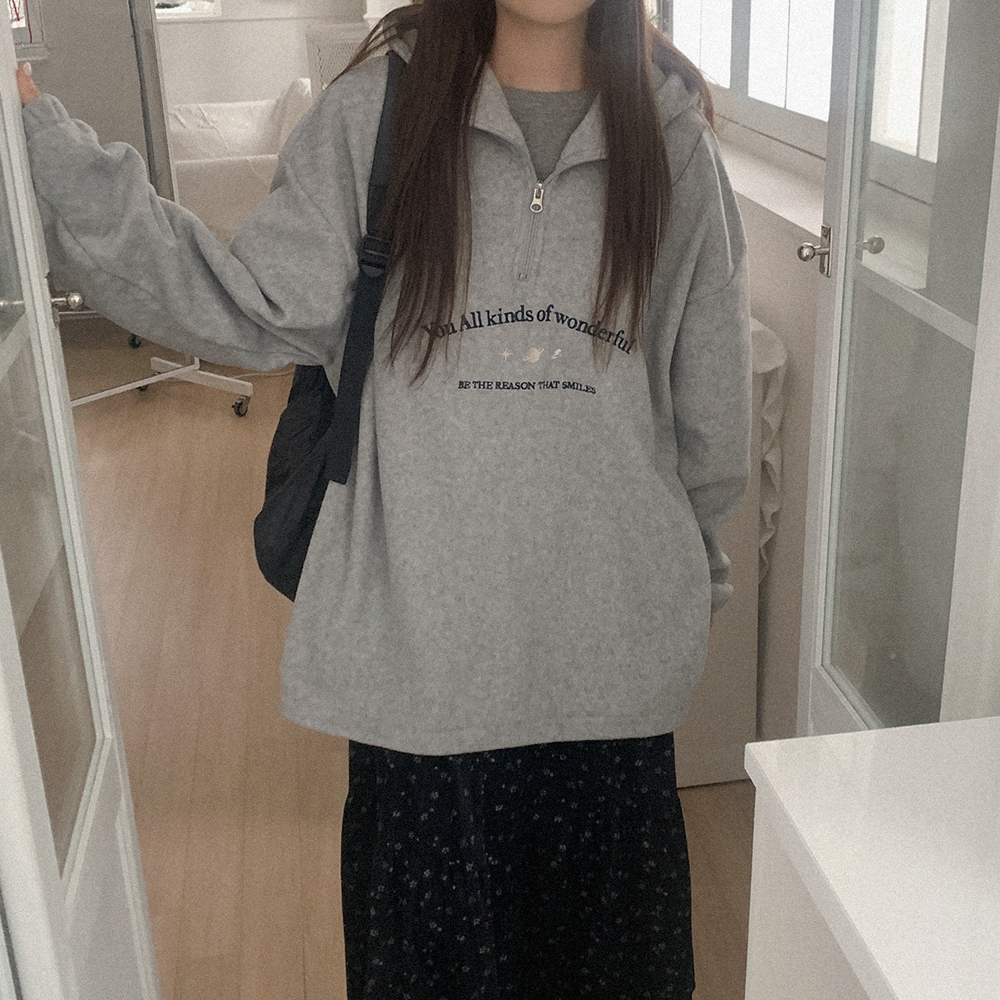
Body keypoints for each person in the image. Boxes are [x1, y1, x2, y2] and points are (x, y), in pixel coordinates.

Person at [17, 0, 750, 996]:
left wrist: (666, 591)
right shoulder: (378, 116)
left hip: (612, 696)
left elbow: (709, 428)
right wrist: (44, 142)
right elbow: (242, 303)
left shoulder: (672, 143)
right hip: (421, 698)